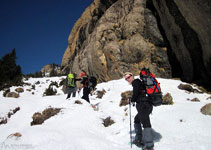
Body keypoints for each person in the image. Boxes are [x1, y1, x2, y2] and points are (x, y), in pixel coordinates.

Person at [124, 72, 154, 150]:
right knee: (137, 120)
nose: (127, 79)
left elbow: (136, 92)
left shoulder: (136, 82)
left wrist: (133, 100)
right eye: (126, 78)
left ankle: (149, 146)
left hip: (143, 105)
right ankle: (138, 139)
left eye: (128, 77)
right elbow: (138, 92)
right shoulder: (139, 82)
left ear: (132, 76)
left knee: (146, 123)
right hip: (147, 104)